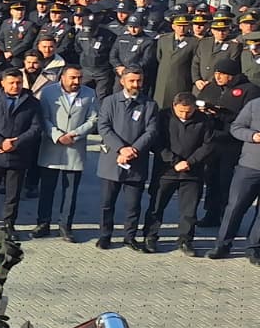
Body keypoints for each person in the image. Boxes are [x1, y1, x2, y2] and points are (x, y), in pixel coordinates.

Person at [144, 92, 216, 256]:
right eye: (181, 111)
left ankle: (185, 240)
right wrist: (174, 161)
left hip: (192, 173)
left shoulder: (204, 120)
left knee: (189, 210)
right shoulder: (163, 117)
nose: (184, 115)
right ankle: (150, 236)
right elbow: (156, 142)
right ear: (174, 106)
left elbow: (208, 145)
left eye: (188, 112)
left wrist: (190, 162)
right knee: (156, 206)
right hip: (166, 171)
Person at [0, 67, 42, 238]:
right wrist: (0, 142)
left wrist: (16, 143)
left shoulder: (32, 102)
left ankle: (9, 224)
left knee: (13, 194)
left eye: (19, 82)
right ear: (3, 83)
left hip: (18, 155)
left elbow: (36, 128)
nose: (15, 86)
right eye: (11, 83)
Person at [96, 66, 158, 251]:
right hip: (112, 159)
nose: (135, 84)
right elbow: (104, 127)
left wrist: (134, 149)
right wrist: (121, 149)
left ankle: (129, 237)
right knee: (107, 203)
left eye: (139, 81)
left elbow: (151, 131)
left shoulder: (150, 104)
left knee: (133, 205)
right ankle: (105, 235)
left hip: (136, 160)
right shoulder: (110, 101)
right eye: (131, 81)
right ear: (122, 81)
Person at [33, 65, 97, 242]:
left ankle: (65, 225)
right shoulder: (49, 92)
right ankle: (43, 223)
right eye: (72, 78)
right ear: (62, 77)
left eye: (79, 78)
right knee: (47, 189)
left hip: (75, 148)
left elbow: (93, 119)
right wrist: (57, 135)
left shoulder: (89, 94)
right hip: (52, 146)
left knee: (70, 191)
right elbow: (43, 117)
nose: (76, 81)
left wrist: (75, 134)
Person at [207, 92, 260, 264]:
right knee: (235, 207)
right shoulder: (254, 105)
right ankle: (222, 244)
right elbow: (236, 127)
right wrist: (252, 136)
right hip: (250, 167)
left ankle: (254, 248)